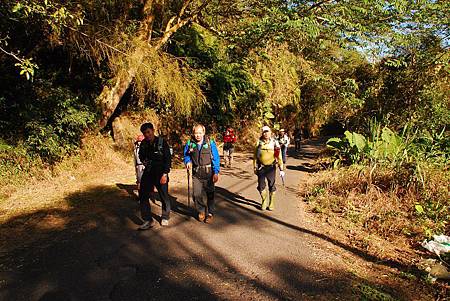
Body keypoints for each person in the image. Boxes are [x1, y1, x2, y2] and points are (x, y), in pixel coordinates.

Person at [137, 122, 172, 229]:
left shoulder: (162, 142)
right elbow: (140, 155)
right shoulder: (143, 144)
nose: (147, 134)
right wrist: (144, 161)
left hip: (161, 173)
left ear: (153, 130)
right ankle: (148, 220)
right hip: (148, 172)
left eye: (148, 132)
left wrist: (165, 174)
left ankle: (165, 216)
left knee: (163, 196)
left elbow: (168, 159)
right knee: (143, 194)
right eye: (145, 133)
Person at [184, 124, 220, 224]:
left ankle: (210, 213)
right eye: (196, 133)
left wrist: (216, 172)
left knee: (210, 195)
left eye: (200, 133)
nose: (198, 135)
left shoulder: (210, 143)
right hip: (196, 173)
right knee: (196, 194)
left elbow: (216, 158)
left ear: (203, 133)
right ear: (193, 133)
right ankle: (201, 210)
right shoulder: (190, 143)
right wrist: (187, 162)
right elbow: (186, 155)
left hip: (209, 173)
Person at [253, 126, 284, 211]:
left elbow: (279, 156)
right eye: (264, 132)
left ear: (271, 133)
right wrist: (254, 167)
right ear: (262, 133)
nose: (266, 134)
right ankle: (264, 200)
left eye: (268, 132)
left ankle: (271, 202)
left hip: (271, 167)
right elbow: (255, 156)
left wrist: (281, 168)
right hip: (261, 167)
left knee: (271, 185)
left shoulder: (275, 143)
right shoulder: (258, 143)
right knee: (261, 185)